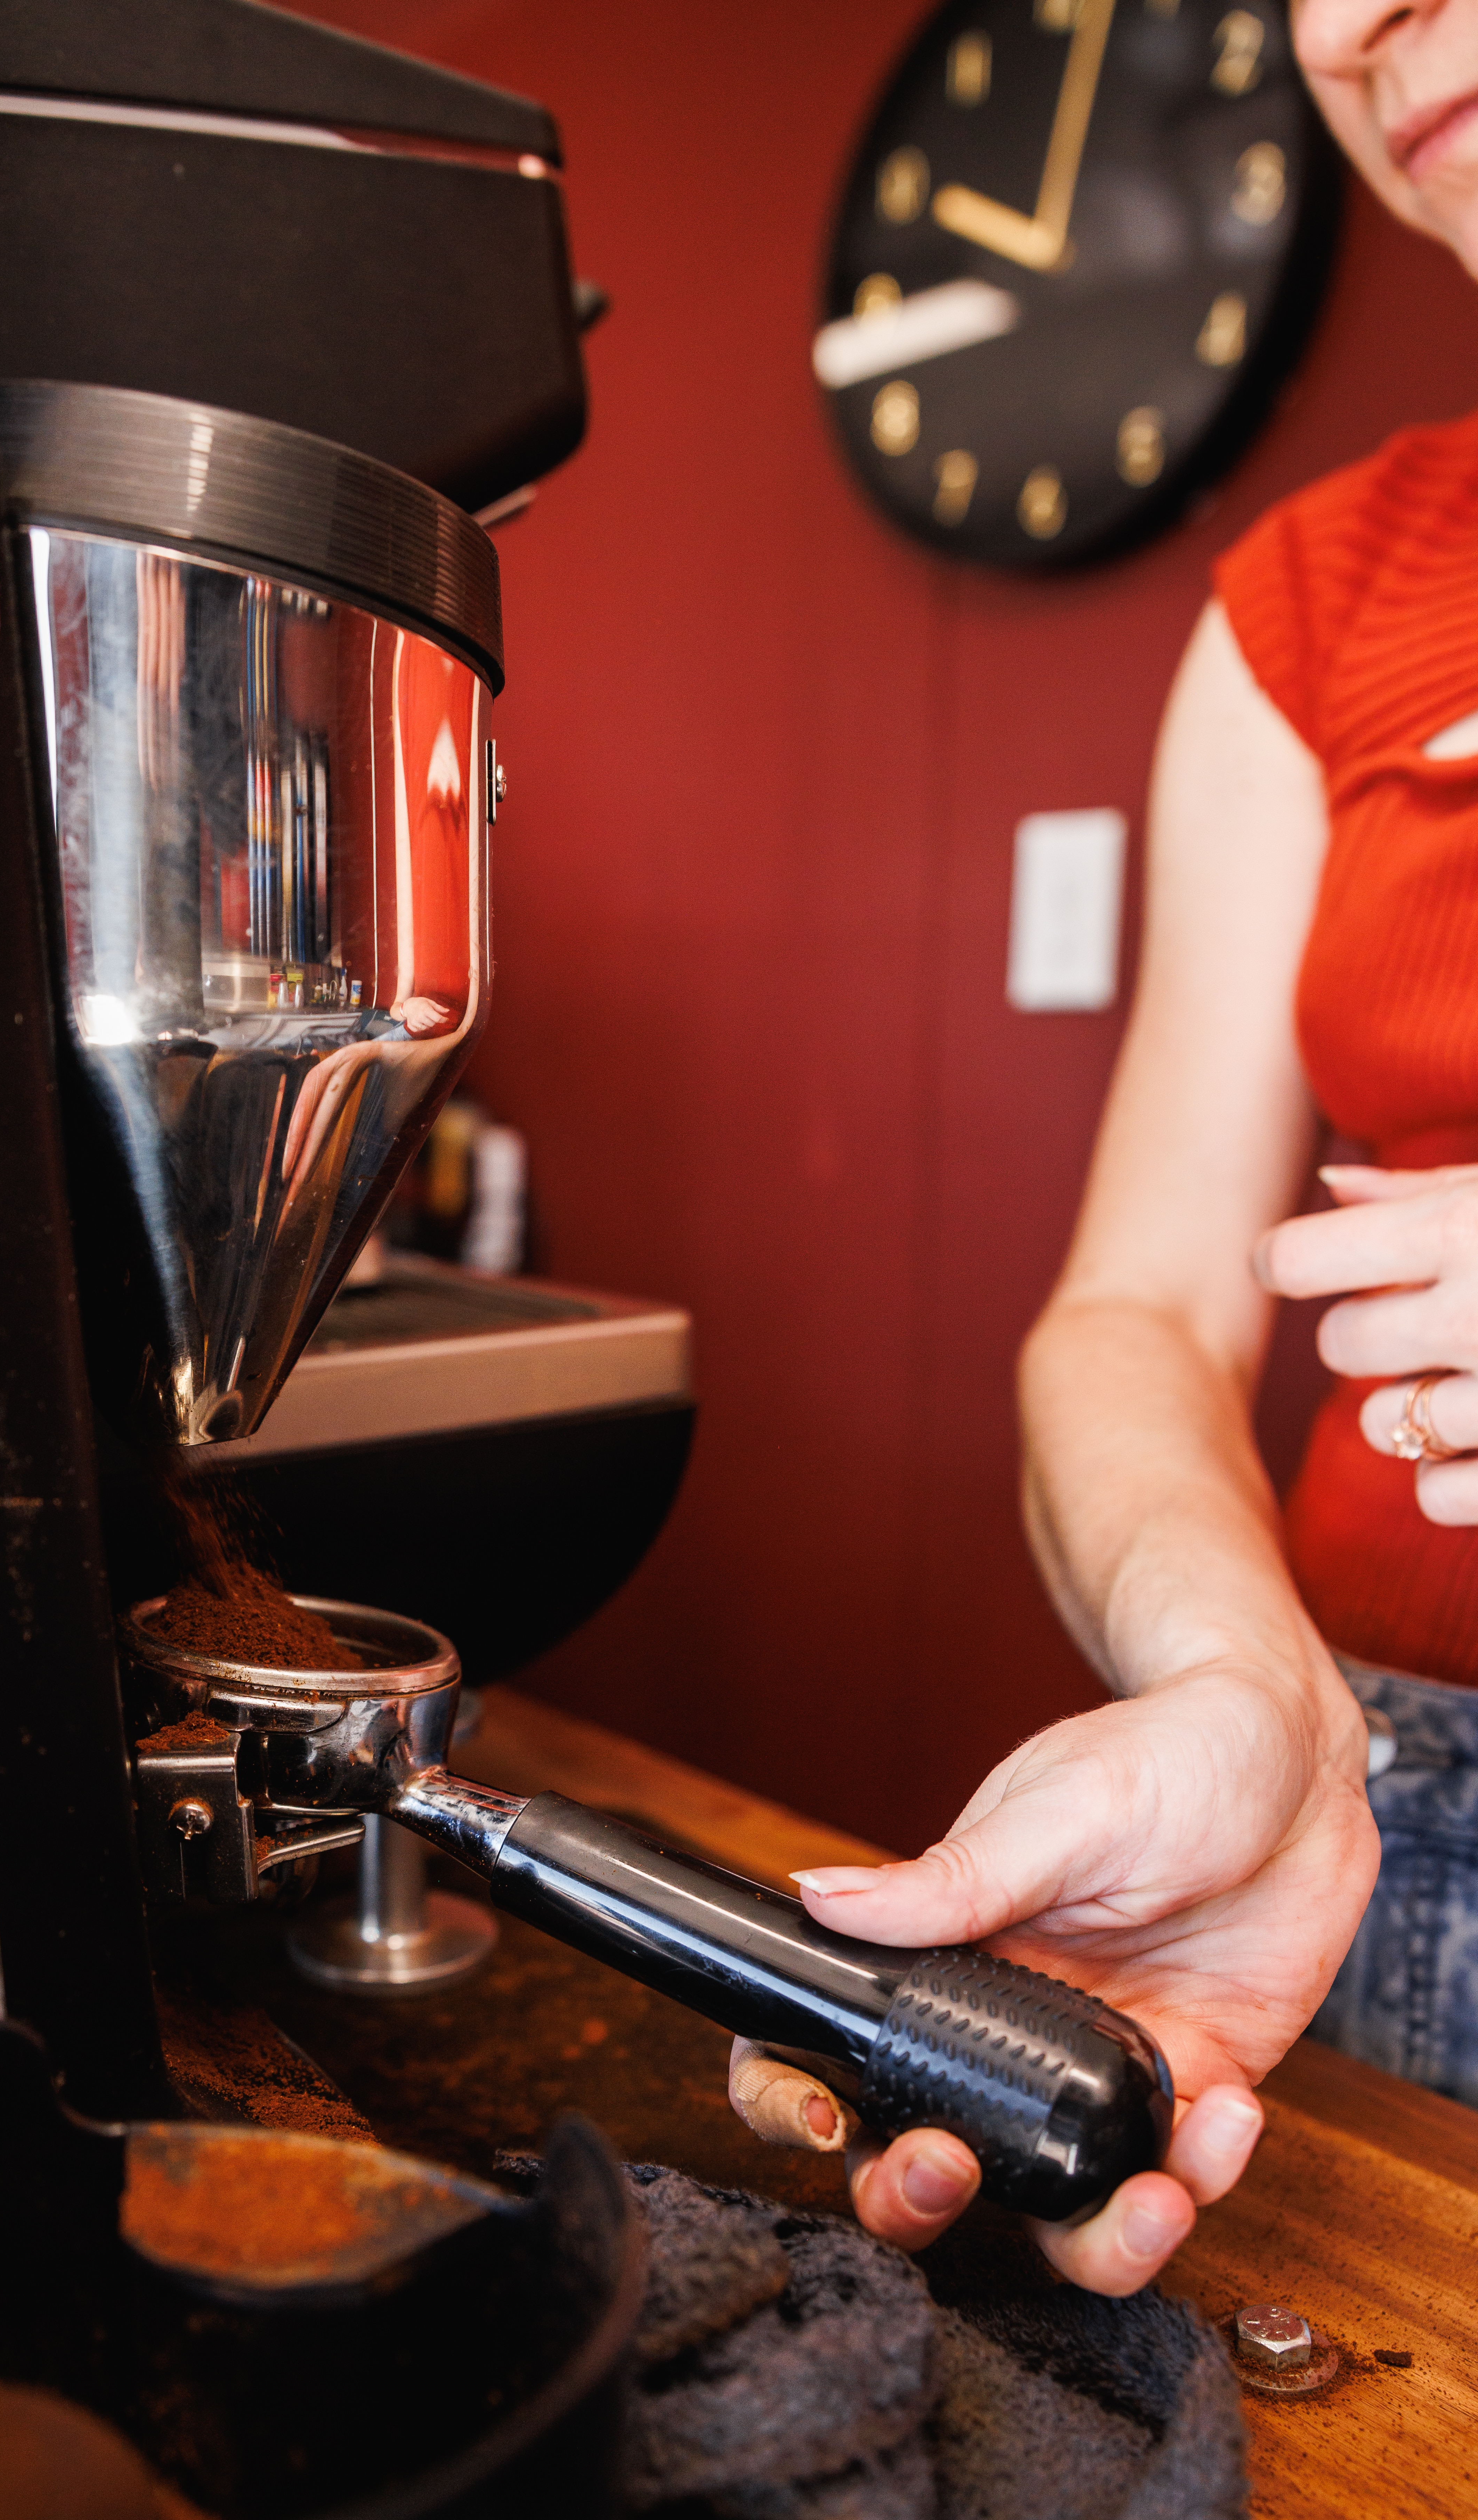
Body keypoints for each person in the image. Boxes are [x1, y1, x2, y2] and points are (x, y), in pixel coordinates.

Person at [731, 0, 1478, 2295]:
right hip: (1393, 1826)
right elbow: (1142, 1303)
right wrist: (1246, 1694)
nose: (1350, 19)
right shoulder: (1312, 598)